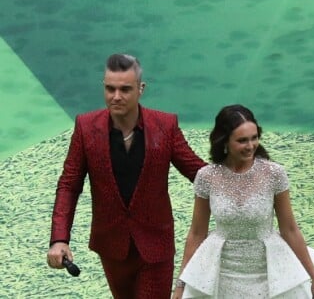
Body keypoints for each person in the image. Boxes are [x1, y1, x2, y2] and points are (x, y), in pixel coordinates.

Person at [47, 53, 206, 298]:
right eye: (110, 89)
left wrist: (242, 176)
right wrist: (59, 238)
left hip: (156, 245)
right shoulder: (85, 127)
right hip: (112, 245)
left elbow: (199, 173)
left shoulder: (165, 125)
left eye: (125, 89)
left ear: (141, 89)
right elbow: (69, 185)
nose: (116, 96)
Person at [172, 104, 314, 299]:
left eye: (254, 138)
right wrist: (180, 285)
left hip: (268, 271)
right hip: (220, 273)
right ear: (225, 142)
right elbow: (196, 233)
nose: (250, 146)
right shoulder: (207, 177)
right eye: (242, 140)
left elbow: (290, 229)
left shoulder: (274, 174)